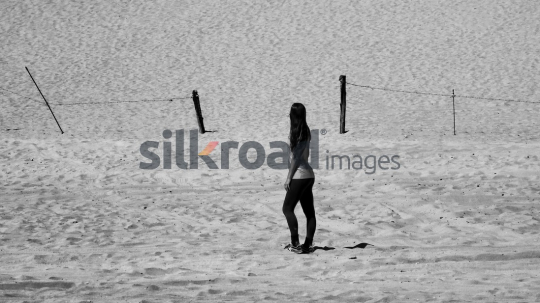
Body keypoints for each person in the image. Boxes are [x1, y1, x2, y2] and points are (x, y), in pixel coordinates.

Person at [283, 103, 316, 254]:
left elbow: (296, 158)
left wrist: (289, 177)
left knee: (287, 209)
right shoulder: (306, 130)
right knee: (309, 213)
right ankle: (307, 244)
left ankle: (295, 244)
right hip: (309, 175)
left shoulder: (297, 132)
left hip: (299, 176)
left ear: (292, 115)